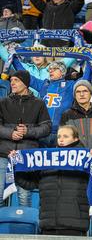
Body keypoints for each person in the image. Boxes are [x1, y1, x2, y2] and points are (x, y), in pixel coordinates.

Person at [14, 125, 92, 236]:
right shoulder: (46, 159)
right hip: (48, 225)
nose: (61, 139)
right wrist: (15, 166)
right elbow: (30, 184)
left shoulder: (86, 158)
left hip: (75, 226)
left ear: (76, 139)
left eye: (65, 136)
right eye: (59, 136)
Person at [0, 70, 51, 207]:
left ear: (26, 83)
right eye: (11, 81)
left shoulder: (39, 103)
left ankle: (24, 228)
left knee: (24, 197)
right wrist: (10, 133)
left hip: (26, 156)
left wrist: (28, 131)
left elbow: (46, 127)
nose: (12, 83)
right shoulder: (3, 102)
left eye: (16, 80)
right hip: (4, 155)